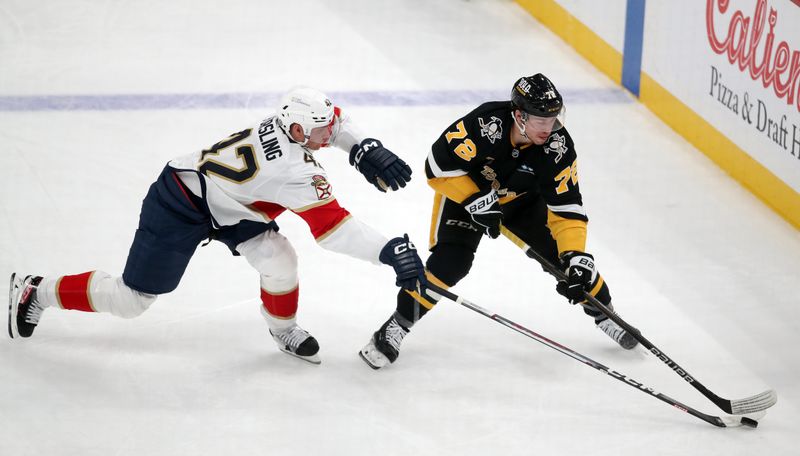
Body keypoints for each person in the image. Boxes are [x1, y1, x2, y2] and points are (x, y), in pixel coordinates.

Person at [8, 86, 426, 365]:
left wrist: (361, 147)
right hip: (180, 203)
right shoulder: (294, 173)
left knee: (280, 260)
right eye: (322, 131)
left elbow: (336, 119)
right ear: (297, 129)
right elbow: (335, 230)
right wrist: (389, 251)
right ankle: (35, 289)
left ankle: (284, 331)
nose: (330, 133)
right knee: (130, 300)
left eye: (328, 127)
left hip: (232, 206)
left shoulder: (289, 122)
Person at [359, 74, 638, 369]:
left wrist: (576, 254)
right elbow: (437, 168)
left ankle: (606, 314)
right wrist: (475, 200)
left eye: (554, 118)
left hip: (522, 201)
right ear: (519, 115)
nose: (550, 127)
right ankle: (397, 325)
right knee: (450, 264)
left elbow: (567, 207)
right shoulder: (484, 125)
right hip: (465, 197)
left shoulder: (558, 146)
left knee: (573, 265)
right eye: (541, 120)